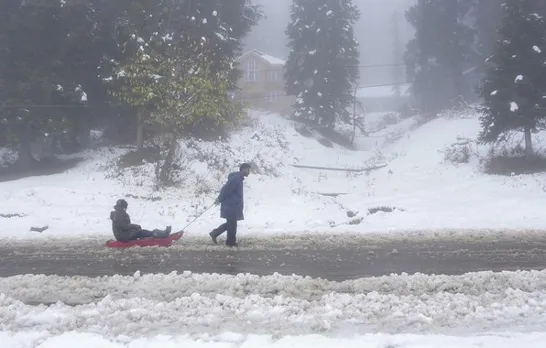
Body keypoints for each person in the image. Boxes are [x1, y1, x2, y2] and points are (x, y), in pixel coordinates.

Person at [209, 163, 251, 247]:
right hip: (230, 205)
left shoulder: (238, 179)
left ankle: (215, 233)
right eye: (248, 170)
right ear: (243, 169)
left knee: (231, 224)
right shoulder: (236, 179)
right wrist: (219, 199)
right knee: (232, 224)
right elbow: (226, 189)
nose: (249, 172)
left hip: (233, 205)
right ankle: (230, 242)